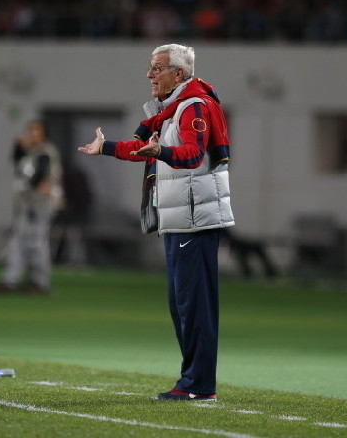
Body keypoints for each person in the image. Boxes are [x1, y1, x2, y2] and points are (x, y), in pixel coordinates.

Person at [78, 43, 234, 402]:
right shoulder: (176, 107)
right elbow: (146, 149)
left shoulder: (193, 106)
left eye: (157, 68)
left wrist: (160, 151)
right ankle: (194, 382)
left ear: (178, 74)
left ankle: (198, 386)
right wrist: (105, 148)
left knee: (193, 306)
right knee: (183, 305)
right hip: (181, 218)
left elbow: (192, 155)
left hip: (193, 220)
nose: (150, 74)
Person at [0, 119, 63, 295]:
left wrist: (37, 183)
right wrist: (17, 147)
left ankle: (40, 282)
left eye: (37, 133)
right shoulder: (31, 152)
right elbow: (17, 163)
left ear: (44, 135)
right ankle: (11, 279)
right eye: (31, 132)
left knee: (37, 243)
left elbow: (38, 178)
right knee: (19, 241)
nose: (33, 136)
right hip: (26, 203)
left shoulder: (46, 151)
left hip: (40, 204)